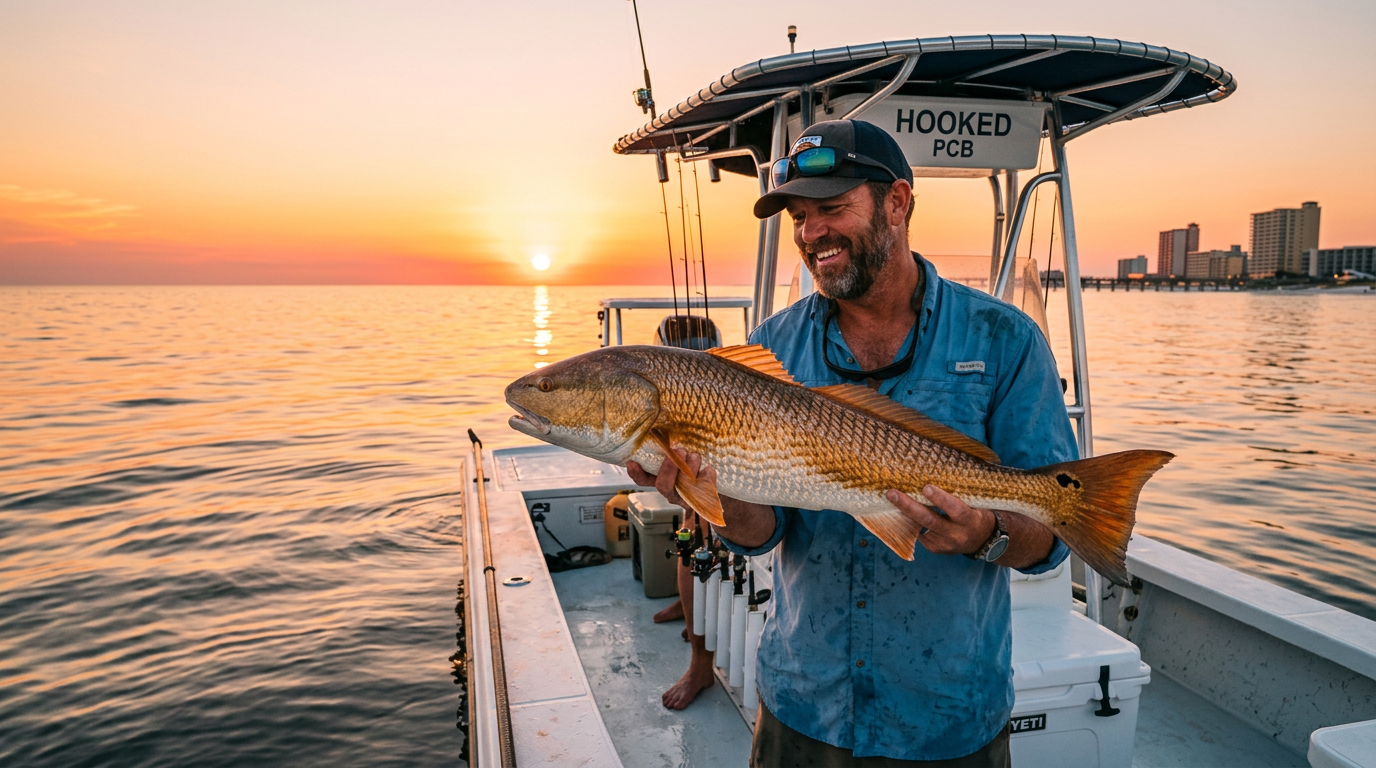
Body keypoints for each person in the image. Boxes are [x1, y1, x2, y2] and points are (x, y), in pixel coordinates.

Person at [628, 118, 1076, 766]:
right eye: (800, 218)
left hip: (948, 720)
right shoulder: (770, 350)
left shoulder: (1005, 341)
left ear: (897, 202)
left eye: (832, 208)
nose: (812, 234)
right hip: (804, 707)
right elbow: (764, 533)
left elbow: (1054, 535)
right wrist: (708, 492)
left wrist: (986, 534)